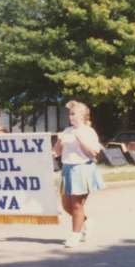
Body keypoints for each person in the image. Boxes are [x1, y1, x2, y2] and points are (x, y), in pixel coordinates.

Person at [53, 100, 105, 248]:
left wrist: (80, 139)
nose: (71, 117)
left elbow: (93, 153)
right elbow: (56, 153)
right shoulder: (67, 131)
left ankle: (75, 235)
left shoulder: (88, 131)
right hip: (67, 169)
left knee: (76, 205)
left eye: (74, 114)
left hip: (82, 169)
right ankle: (86, 221)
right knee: (66, 206)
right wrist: (58, 142)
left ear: (83, 115)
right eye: (70, 114)